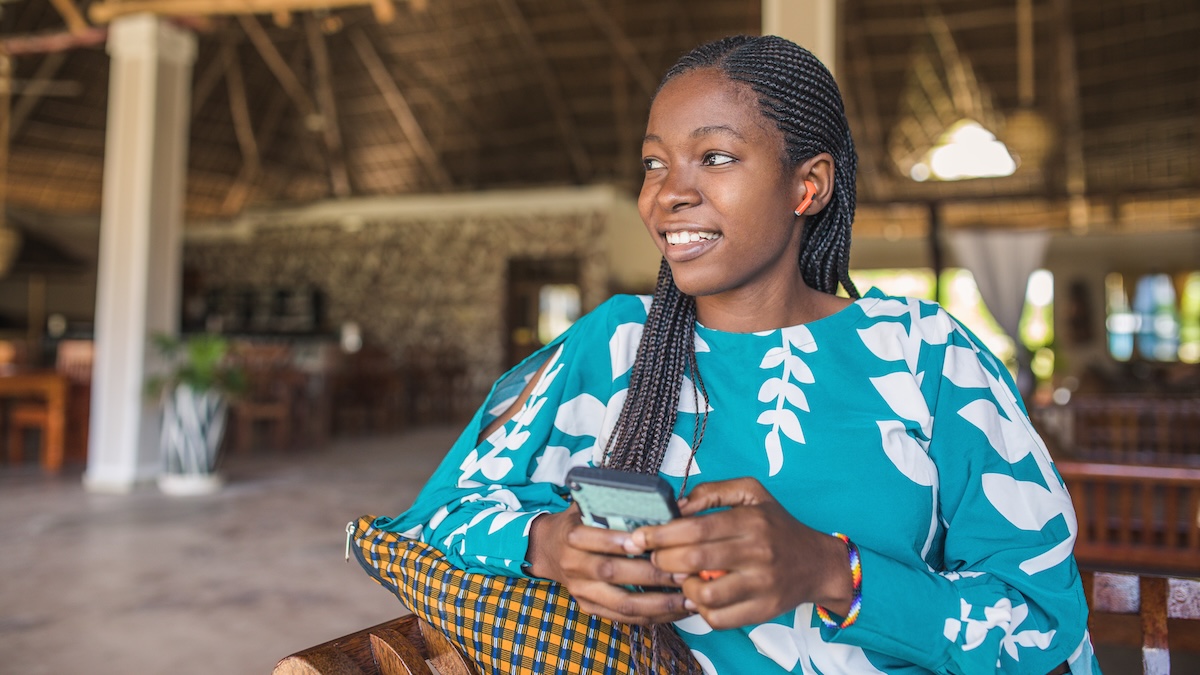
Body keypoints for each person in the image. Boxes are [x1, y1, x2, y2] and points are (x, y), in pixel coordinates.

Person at [355, 35, 1098, 674]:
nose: (668, 194)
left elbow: (1040, 619)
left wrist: (830, 571)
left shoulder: (928, 356)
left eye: (713, 156)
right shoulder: (613, 345)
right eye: (653, 164)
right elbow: (435, 518)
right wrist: (551, 543)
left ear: (807, 185)